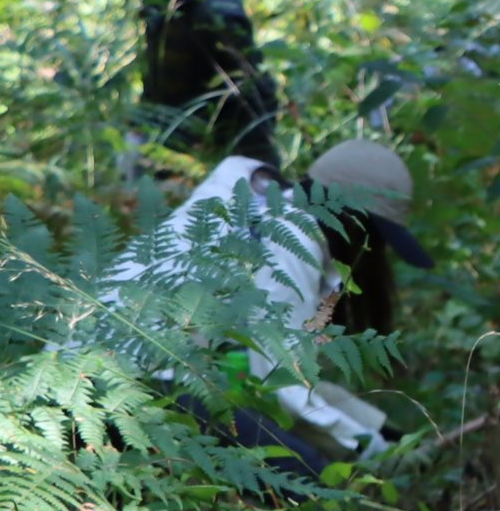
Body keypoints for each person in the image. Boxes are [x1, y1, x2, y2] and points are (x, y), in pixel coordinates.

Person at [98, 137, 433, 470]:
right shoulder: (288, 243)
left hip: (100, 367)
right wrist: (368, 450)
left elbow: (242, 368)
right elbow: (279, 391)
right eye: (374, 237)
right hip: (138, 384)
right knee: (306, 478)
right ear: (355, 221)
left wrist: (380, 432)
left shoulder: (251, 194)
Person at [83, 0, 281, 164]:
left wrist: (247, 159)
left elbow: (247, 87)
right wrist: (147, 120)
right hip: (176, 133)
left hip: (227, 144)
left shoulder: (210, 3)